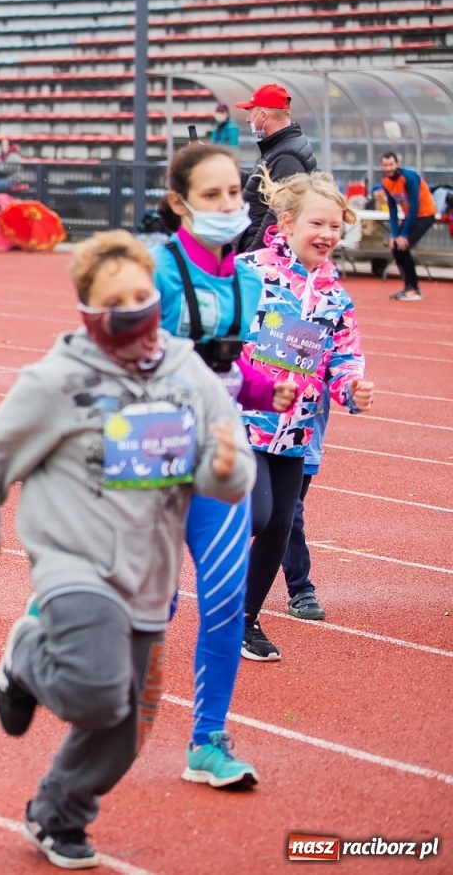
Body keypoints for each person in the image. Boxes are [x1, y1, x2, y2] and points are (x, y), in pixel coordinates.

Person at [0, 230, 254, 870]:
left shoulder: (186, 371)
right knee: (96, 691)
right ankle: (27, 656)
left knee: (124, 729)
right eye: (114, 299)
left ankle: (57, 814)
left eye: (141, 295)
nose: (131, 308)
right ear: (88, 309)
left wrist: (228, 467)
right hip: (75, 561)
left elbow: (222, 474)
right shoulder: (57, 379)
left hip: (149, 573)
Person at [154, 142, 300, 790]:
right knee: (150, 606)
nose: (226, 207)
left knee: (222, 601)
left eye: (234, 196)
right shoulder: (152, 270)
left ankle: (207, 741)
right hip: (151, 446)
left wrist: (270, 390)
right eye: (210, 196)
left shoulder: (246, 278)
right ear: (179, 204)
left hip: (221, 448)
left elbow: (228, 364)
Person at [239, 167, 373, 663]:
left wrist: (353, 387)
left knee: (278, 525)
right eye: (318, 224)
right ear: (288, 223)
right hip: (241, 417)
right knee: (255, 512)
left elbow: (343, 358)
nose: (328, 235)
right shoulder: (250, 273)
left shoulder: (336, 296)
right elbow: (219, 336)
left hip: (295, 430)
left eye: (336, 227)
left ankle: (244, 619)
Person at [234, 83, 316, 253]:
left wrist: (253, 255)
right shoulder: (279, 147)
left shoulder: (287, 156)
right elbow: (258, 187)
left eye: (251, 113)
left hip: (262, 257)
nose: (248, 119)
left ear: (263, 115)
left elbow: (277, 214)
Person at [372, 150, 436, 301]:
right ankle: (407, 286)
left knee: (404, 246)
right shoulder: (386, 183)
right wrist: (394, 235)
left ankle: (414, 288)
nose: (389, 168)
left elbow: (414, 206)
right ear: (381, 166)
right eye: (385, 165)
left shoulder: (409, 177)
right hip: (409, 217)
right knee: (395, 247)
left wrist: (404, 235)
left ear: (397, 164)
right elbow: (393, 209)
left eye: (391, 164)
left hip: (425, 215)